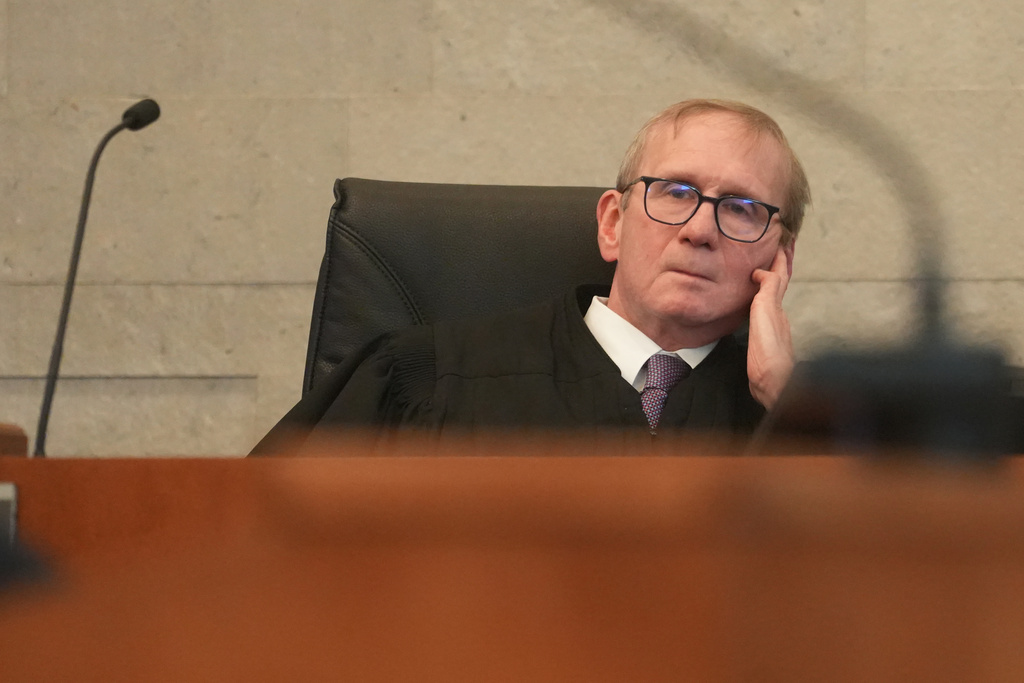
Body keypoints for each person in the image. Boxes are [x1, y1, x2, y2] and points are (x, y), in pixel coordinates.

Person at [251, 98, 810, 454]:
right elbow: (248, 545)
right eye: (676, 192)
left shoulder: (801, 424)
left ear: (779, 260)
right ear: (613, 224)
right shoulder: (424, 377)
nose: (700, 229)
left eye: (741, 208)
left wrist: (786, 398)